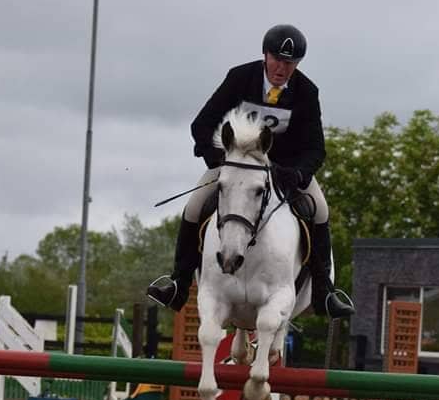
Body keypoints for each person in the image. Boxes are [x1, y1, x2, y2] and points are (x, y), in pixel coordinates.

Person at [146, 24, 355, 319]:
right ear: (265, 55)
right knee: (194, 207)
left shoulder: (307, 91)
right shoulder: (240, 78)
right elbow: (202, 125)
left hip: (284, 172)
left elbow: (316, 148)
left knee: (320, 210)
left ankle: (324, 293)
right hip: (236, 166)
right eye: (277, 60)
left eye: (290, 63)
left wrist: (298, 173)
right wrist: (219, 159)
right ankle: (178, 284)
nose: (282, 68)